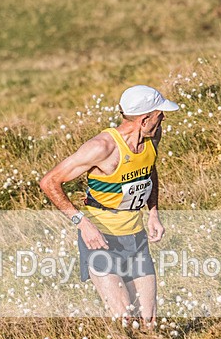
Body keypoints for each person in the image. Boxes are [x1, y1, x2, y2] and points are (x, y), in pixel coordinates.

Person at [39, 85, 178, 326]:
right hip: (101, 241)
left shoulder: (152, 138)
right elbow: (49, 182)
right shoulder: (102, 147)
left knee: (148, 321)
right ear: (144, 119)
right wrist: (82, 224)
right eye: (159, 114)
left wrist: (153, 212)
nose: (163, 117)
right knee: (125, 318)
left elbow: (148, 171)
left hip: (136, 238)